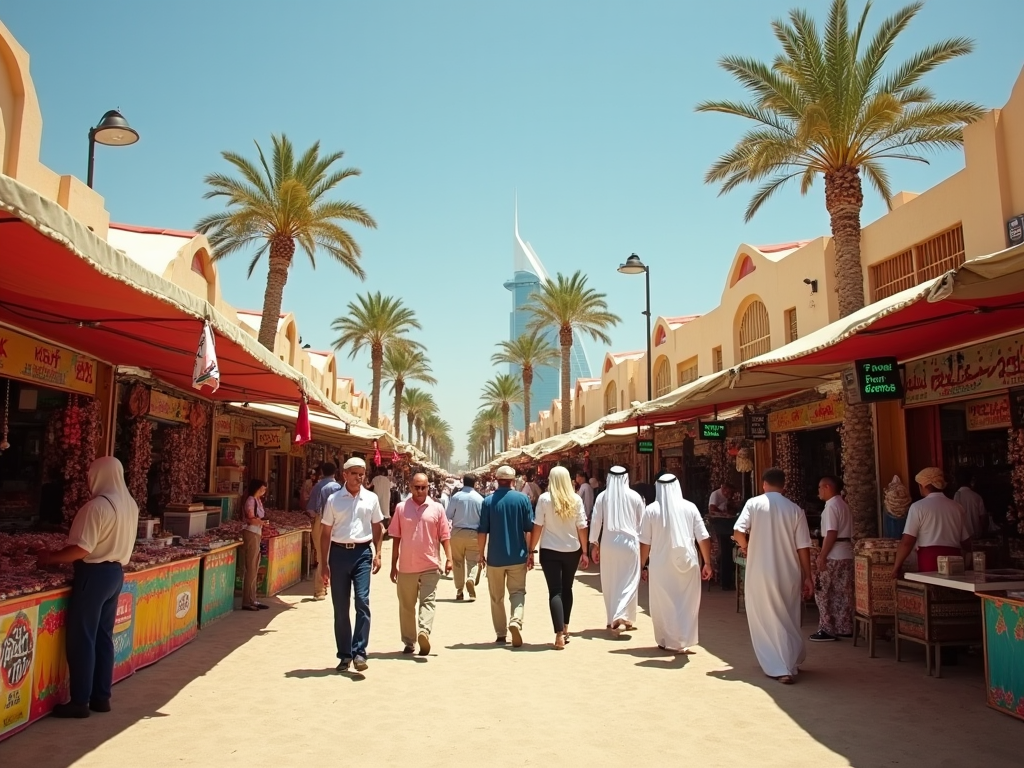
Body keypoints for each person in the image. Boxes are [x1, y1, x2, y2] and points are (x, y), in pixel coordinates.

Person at [36, 457, 139, 718]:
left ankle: (80, 701)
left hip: (93, 575)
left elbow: (81, 548)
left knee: (83, 638)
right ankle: (101, 697)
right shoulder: (130, 505)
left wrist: (50, 557)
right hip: (115, 574)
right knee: (103, 637)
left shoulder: (96, 507)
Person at [733, 467, 813, 684]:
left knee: (764, 616)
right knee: (788, 614)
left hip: (760, 571)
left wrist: (746, 547)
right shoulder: (795, 509)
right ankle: (790, 660)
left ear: (763, 484)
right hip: (789, 572)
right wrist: (808, 576)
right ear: (784, 485)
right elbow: (803, 547)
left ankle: (779, 666)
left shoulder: (753, 504)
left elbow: (738, 531)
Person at [320, 457, 384, 673]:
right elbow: (325, 532)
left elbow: (377, 526)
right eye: (355, 473)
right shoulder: (333, 500)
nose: (359, 477)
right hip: (338, 555)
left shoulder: (371, 499)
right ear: (344, 475)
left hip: (362, 554)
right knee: (340, 607)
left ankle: (359, 652)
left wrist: (378, 553)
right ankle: (344, 655)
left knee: (362, 602)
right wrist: (323, 563)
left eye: (362, 473)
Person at [639, 474, 713, 654]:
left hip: (661, 563)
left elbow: (645, 543)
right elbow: (703, 537)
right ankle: (682, 639)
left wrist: (641, 565)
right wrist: (707, 563)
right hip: (688, 561)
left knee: (664, 602)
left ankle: (668, 639)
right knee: (687, 601)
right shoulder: (691, 507)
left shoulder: (651, 510)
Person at [389, 473, 452, 655]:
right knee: (407, 606)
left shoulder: (437, 508)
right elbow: (396, 539)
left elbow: (445, 537)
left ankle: (424, 631)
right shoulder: (401, 508)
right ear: (410, 487)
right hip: (407, 567)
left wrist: (449, 558)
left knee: (428, 601)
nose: (420, 491)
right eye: (416, 487)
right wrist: (393, 565)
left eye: (423, 487)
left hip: (430, 565)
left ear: (428, 487)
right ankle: (409, 642)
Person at [532, 466, 589, 650]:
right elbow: (582, 526)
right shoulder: (576, 499)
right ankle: (565, 628)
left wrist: (530, 549)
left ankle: (558, 635)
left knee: (555, 591)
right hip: (572, 550)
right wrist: (585, 551)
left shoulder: (544, 499)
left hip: (549, 550)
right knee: (567, 588)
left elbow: (538, 526)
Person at [478, 465, 534, 646]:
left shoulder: (488, 501)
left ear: (496, 479)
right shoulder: (523, 500)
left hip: (495, 558)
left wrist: (480, 554)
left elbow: (482, 532)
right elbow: (529, 529)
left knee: (496, 597)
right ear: (513, 480)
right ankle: (516, 620)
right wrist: (530, 552)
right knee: (517, 592)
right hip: (518, 556)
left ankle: (501, 633)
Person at [590, 466, 645, 635]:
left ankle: (615, 616)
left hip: (608, 543)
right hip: (630, 544)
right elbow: (642, 523)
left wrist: (594, 544)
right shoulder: (635, 496)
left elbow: (596, 521)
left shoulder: (602, 497)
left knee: (610, 581)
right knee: (629, 580)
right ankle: (623, 615)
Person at [892, 467, 970, 576]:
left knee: (932, 590)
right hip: (955, 559)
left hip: (930, 560)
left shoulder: (918, 507)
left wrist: (896, 567)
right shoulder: (957, 507)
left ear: (923, 485)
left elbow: (907, 542)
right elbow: (966, 541)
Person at [810, 476, 854, 642]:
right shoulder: (843, 505)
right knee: (842, 592)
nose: (818, 491)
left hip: (834, 555)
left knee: (822, 591)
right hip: (846, 553)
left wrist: (823, 555)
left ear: (827, 487)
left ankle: (827, 628)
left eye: (820, 488)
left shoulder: (831, 507)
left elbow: (831, 533)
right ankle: (844, 626)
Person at [446, 473, 485, 600]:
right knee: (473, 561)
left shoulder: (456, 497)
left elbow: (448, 515)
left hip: (457, 533)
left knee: (457, 562)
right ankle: (471, 579)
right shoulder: (480, 499)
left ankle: (459, 590)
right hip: (474, 533)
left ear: (463, 482)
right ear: (475, 483)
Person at [306, 462, 341, 601]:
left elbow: (311, 509)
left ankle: (321, 589)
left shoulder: (317, 486)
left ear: (321, 471)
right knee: (331, 557)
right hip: (333, 523)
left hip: (319, 522)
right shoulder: (337, 487)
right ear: (335, 472)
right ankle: (322, 589)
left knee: (321, 557)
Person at [240, 478, 270, 611]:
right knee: (251, 567)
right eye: (262, 489)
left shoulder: (258, 501)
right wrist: (262, 523)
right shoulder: (251, 500)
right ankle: (247, 600)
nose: (264, 492)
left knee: (255, 566)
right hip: (251, 533)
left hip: (257, 533)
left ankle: (253, 598)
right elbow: (251, 519)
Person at [707, 481, 738, 590]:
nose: (729, 494)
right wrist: (723, 513)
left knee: (727, 553)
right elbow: (712, 508)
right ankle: (724, 581)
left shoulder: (726, 497)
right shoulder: (716, 495)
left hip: (726, 526)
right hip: (719, 526)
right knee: (723, 552)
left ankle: (727, 580)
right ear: (723, 489)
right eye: (728, 491)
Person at [953, 468, 988, 539]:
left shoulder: (957, 496)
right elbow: (983, 517)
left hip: (962, 536)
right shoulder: (977, 496)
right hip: (977, 534)